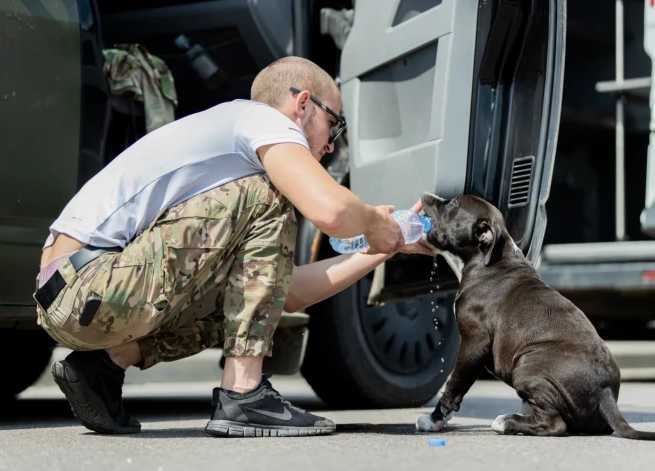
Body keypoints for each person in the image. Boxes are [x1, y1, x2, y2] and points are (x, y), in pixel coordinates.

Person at [33, 56, 434, 437]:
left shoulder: (235, 140)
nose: (332, 145)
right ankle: (244, 394)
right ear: (303, 104)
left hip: (76, 297)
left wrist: (380, 248)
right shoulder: (261, 120)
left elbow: (283, 292)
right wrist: (374, 220)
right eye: (335, 125)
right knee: (270, 193)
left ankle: (103, 367)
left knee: (246, 296)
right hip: (90, 282)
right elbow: (331, 211)